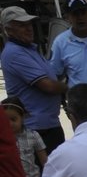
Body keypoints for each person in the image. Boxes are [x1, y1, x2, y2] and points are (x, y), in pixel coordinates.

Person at [1, 8, 65, 153]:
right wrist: (71, 88)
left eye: (29, 24)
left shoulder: (28, 48)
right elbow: (48, 86)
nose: (29, 28)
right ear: (9, 30)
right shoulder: (15, 53)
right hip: (36, 128)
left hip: (47, 125)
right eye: (22, 25)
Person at [5, 99, 47, 177]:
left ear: (22, 118)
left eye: (13, 119)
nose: (9, 123)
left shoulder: (33, 135)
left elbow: (44, 161)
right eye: (5, 120)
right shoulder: (2, 139)